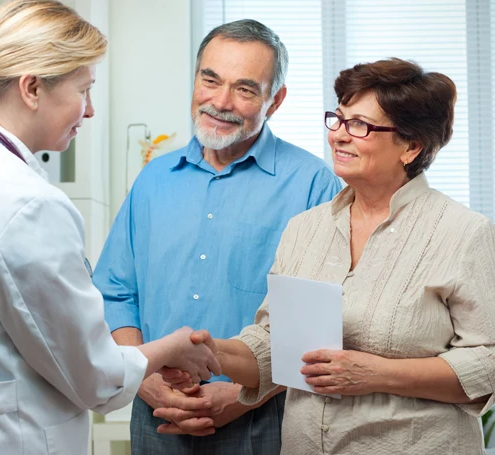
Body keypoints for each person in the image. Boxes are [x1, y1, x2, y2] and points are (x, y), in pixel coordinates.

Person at [0, 1, 220, 454]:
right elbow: (95, 378)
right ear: (32, 88)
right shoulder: (26, 203)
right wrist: (171, 348)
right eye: (84, 90)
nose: (91, 110)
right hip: (2, 441)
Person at [170, 58, 495, 455]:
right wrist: (214, 352)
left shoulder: (464, 232)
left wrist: (377, 374)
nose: (339, 137)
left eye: (360, 126)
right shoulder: (304, 229)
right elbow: (273, 346)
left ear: (411, 147)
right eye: (338, 119)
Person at [93, 19, 341, 454]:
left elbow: (316, 327)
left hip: (261, 418)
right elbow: (115, 293)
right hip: (155, 414)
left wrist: (246, 396)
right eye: (210, 80)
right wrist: (144, 377)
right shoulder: (153, 180)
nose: (220, 102)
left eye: (245, 89)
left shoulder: (313, 184)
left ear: (275, 99)